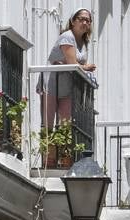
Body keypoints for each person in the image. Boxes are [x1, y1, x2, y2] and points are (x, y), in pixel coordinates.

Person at [38, 7, 96, 167]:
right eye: (81, 19)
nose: (85, 22)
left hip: (68, 85)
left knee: (65, 124)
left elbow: (74, 64)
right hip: (52, 82)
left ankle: (64, 159)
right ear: (72, 21)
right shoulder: (67, 37)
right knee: (49, 122)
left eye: (88, 20)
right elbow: (73, 64)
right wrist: (85, 67)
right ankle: (48, 161)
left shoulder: (83, 42)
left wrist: (81, 67)